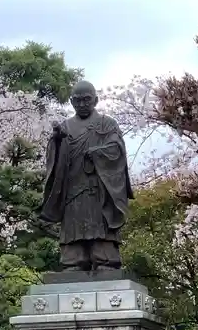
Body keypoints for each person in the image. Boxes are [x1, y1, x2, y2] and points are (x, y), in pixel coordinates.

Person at [39, 80, 133, 271]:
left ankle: (105, 259)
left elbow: (117, 150)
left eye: (86, 100)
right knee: (73, 224)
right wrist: (56, 140)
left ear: (96, 100)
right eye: (77, 101)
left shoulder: (107, 124)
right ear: (72, 102)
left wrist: (97, 152)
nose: (82, 104)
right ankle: (74, 260)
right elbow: (53, 159)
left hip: (99, 186)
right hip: (72, 186)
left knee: (100, 224)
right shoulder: (65, 126)